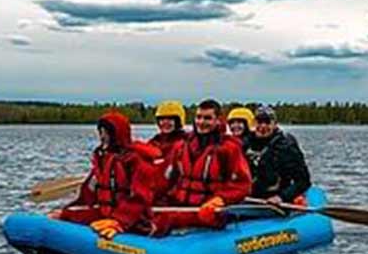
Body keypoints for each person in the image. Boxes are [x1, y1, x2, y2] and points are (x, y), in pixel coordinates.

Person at [54, 111, 162, 239]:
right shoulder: (102, 159)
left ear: (117, 135)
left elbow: (140, 197)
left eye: (106, 133)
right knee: (64, 216)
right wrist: (68, 212)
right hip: (106, 213)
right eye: (101, 132)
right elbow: (88, 192)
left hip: (133, 219)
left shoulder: (136, 160)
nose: (102, 136)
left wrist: (119, 221)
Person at [156, 99, 251, 233]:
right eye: (198, 117)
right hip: (181, 205)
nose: (201, 122)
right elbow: (166, 179)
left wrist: (219, 200)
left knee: (169, 221)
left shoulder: (229, 149)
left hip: (209, 211)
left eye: (207, 118)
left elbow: (242, 185)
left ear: (218, 120)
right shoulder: (181, 146)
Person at [241, 104, 311, 206]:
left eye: (267, 122)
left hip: (276, 198)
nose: (263, 126)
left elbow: (303, 181)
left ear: (275, 124)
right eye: (260, 122)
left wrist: (282, 197)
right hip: (250, 198)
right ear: (254, 123)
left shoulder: (286, 146)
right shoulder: (245, 143)